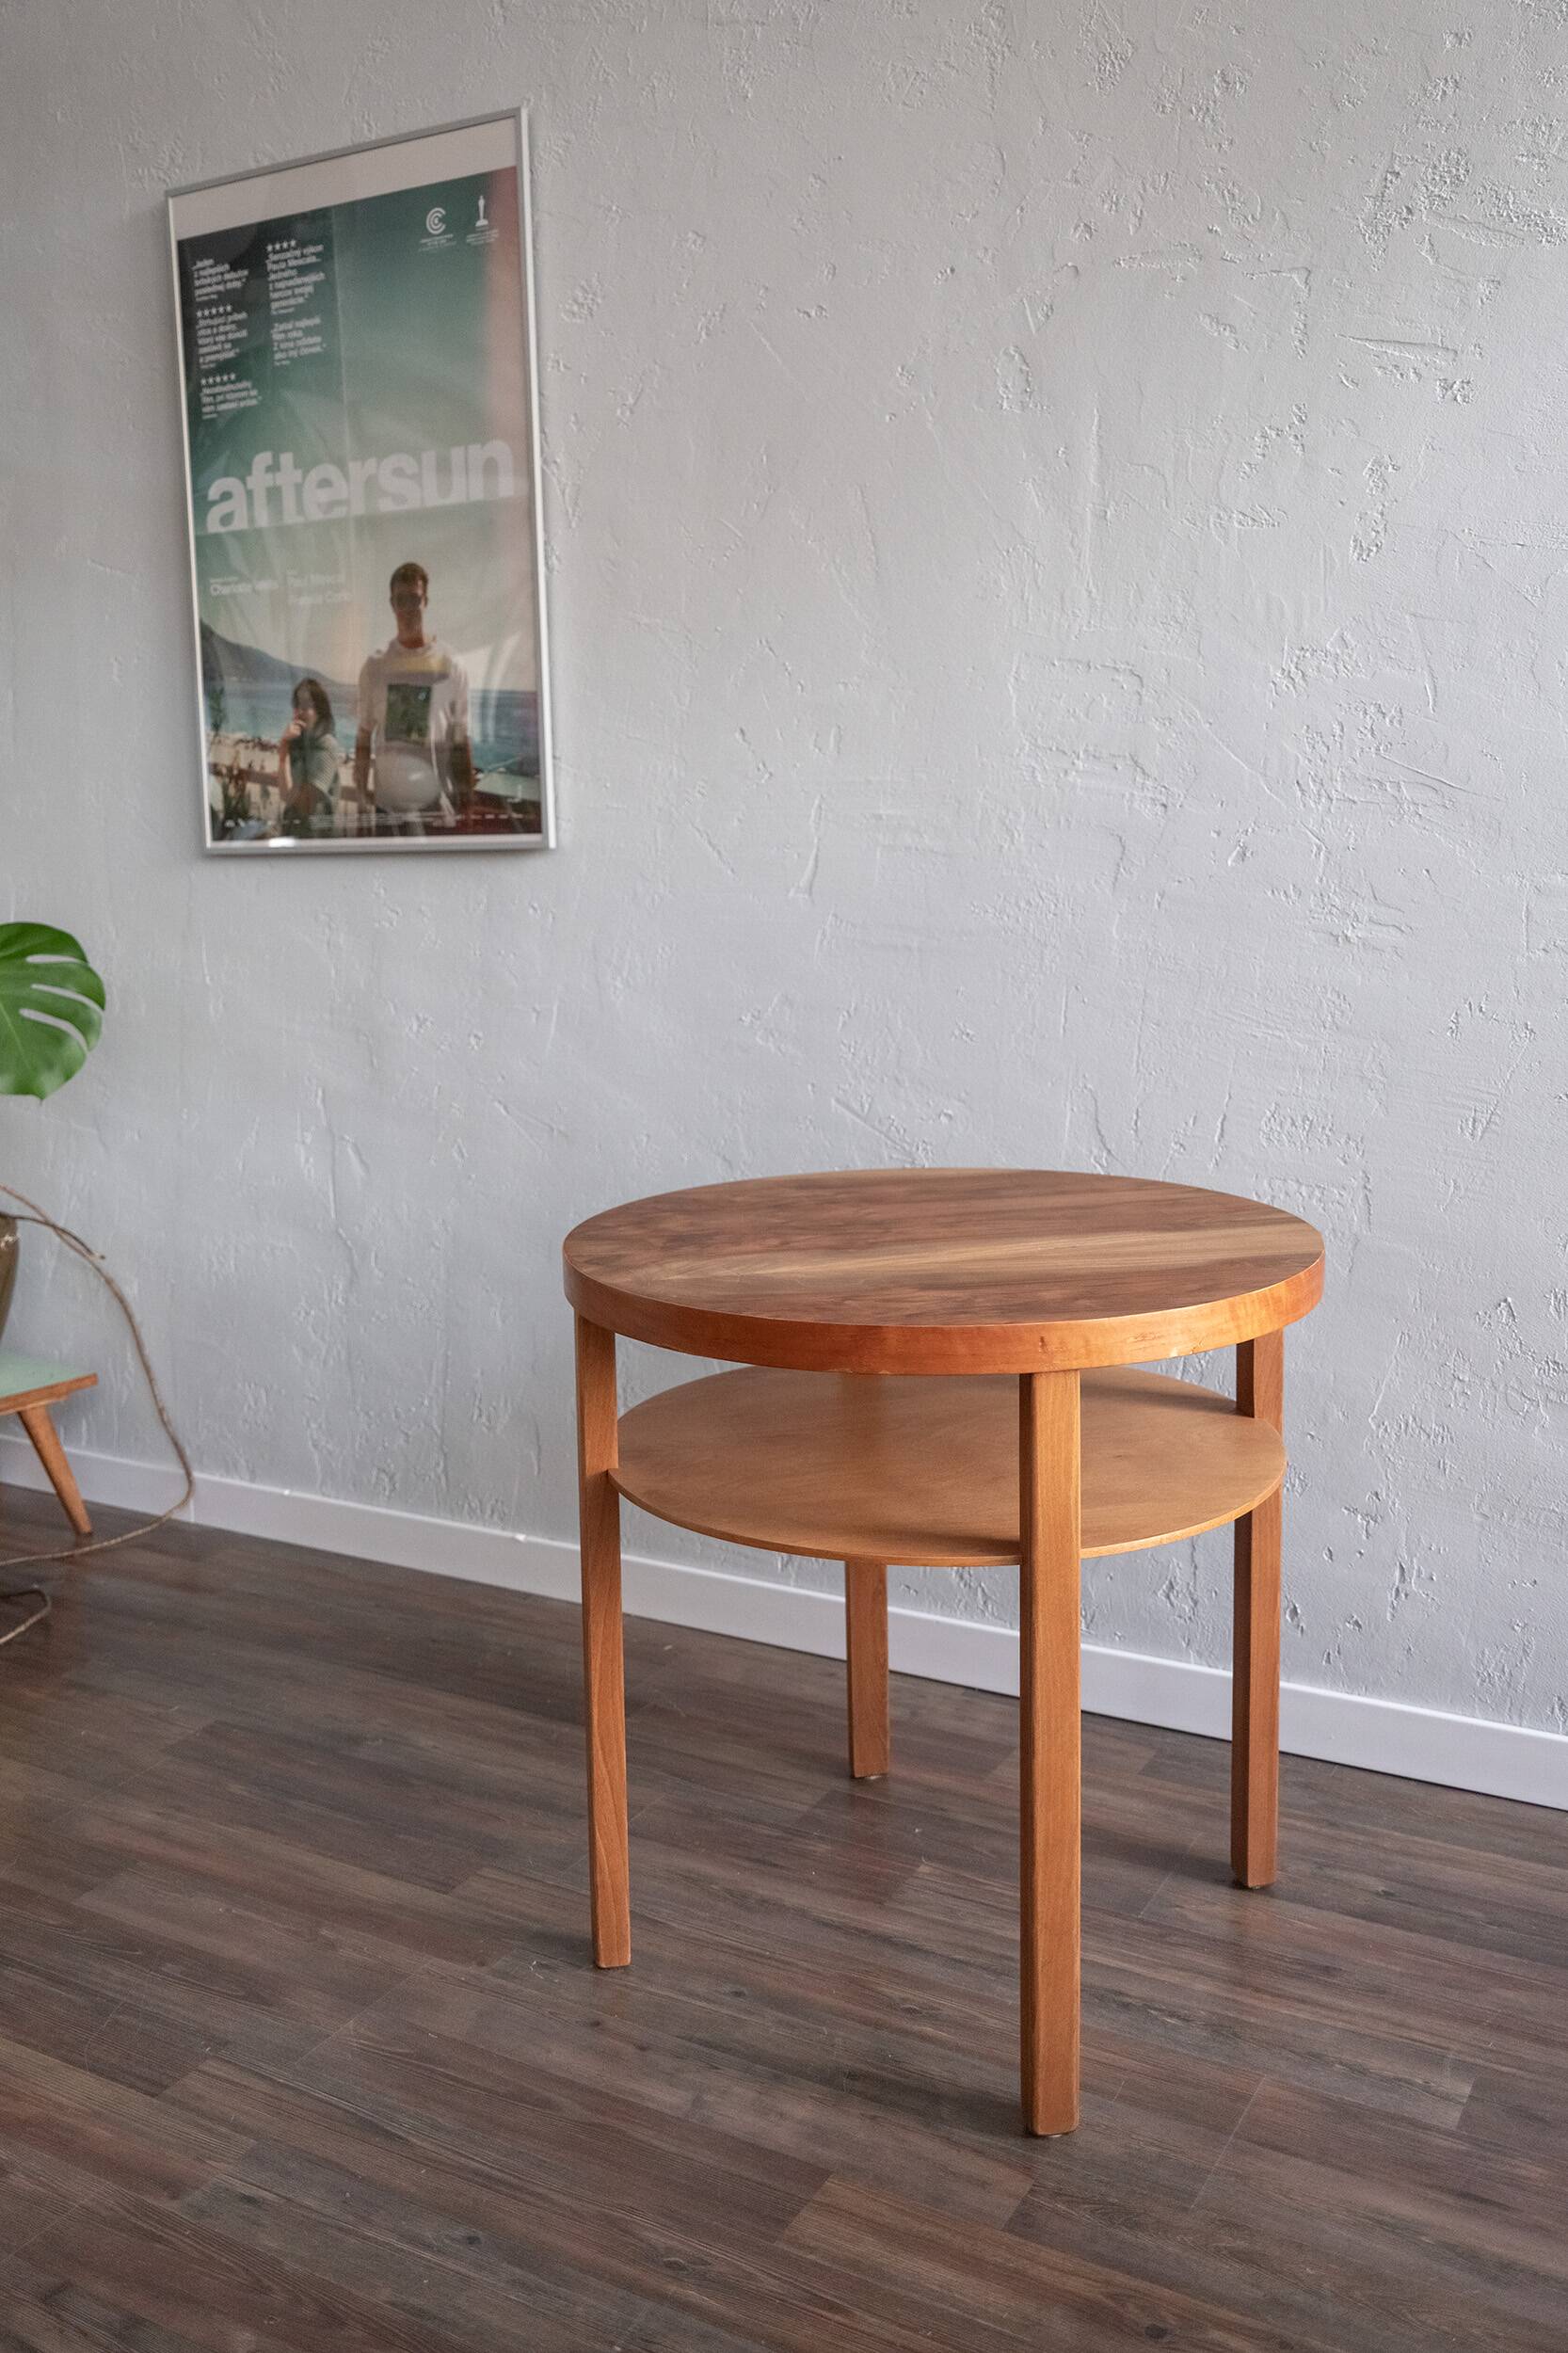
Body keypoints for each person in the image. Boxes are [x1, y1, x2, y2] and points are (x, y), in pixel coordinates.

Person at [353, 562, 475, 832]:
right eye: (401, 600)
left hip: (436, 812)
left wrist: (467, 802)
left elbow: (460, 739)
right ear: (392, 604)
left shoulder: (451, 664)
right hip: (389, 815)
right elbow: (363, 738)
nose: (408, 609)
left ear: (426, 601)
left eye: (415, 599)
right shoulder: (375, 667)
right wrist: (362, 798)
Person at [276, 678, 344, 838]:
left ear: (319, 711)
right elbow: (284, 794)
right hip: (292, 831)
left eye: (305, 706)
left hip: (317, 836)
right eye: (296, 706)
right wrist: (284, 747)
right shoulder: (298, 744)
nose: (299, 712)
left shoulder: (327, 744)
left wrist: (291, 796)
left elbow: (306, 804)